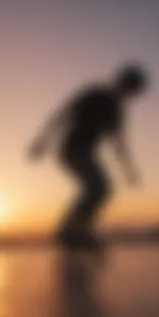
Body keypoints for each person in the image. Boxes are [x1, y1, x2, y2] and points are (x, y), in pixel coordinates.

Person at [28, 64, 148, 249]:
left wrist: (129, 170)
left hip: (84, 152)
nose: (129, 96)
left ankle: (73, 231)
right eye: (130, 89)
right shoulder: (94, 94)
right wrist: (42, 141)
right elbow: (63, 114)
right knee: (98, 188)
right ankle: (71, 232)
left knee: (97, 189)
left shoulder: (116, 111)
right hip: (73, 148)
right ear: (122, 82)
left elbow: (118, 142)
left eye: (132, 93)